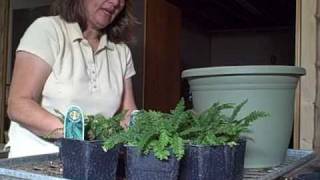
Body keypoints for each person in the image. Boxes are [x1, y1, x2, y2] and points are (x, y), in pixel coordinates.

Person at [6, 0, 137, 158]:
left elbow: (127, 112)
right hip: (38, 160)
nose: (116, 2)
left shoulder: (121, 51)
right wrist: (79, 134)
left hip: (94, 160)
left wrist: (152, 131)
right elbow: (19, 105)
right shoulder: (47, 30)